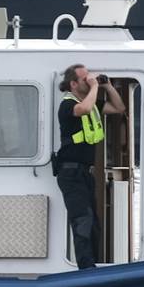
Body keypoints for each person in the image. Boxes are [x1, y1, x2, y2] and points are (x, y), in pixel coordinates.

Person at [52, 64, 123, 268]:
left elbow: (119, 108)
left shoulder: (92, 104)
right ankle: (86, 269)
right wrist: (95, 87)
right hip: (70, 173)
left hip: (85, 173)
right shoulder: (68, 104)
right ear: (73, 84)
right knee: (82, 220)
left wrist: (107, 86)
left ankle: (93, 265)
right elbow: (83, 109)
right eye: (85, 79)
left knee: (93, 223)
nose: (90, 80)